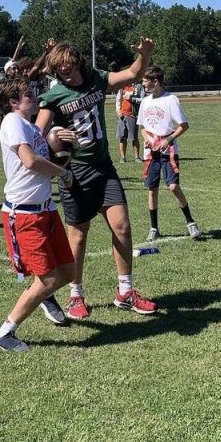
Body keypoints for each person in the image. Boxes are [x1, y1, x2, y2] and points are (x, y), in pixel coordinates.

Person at [36, 40, 158, 319]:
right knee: (78, 237)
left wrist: (144, 55)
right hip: (75, 173)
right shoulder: (55, 95)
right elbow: (36, 133)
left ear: (76, 61)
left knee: (122, 227)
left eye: (67, 65)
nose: (64, 71)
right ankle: (75, 295)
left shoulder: (95, 78)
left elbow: (132, 74)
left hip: (103, 167)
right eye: (58, 68)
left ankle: (125, 291)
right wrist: (54, 133)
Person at [0, 77, 77, 352]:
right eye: (28, 93)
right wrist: (63, 173)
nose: (34, 95)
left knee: (68, 271)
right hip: (24, 213)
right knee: (49, 278)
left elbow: (43, 157)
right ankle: (4, 333)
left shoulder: (30, 126)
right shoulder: (12, 121)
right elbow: (29, 160)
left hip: (45, 210)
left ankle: (41, 295)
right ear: (13, 101)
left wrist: (62, 146)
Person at [136, 66, 202, 243]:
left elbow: (183, 125)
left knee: (173, 187)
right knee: (152, 189)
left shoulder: (171, 99)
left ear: (155, 81)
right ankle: (154, 228)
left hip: (168, 151)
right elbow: (142, 127)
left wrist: (169, 139)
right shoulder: (145, 102)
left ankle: (190, 222)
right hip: (151, 153)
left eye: (145, 80)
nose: (142, 83)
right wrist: (148, 139)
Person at [115, 79, 143, 162]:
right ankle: (123, 157)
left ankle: (137, 157)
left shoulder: (138, 87)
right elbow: (118, 100)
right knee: (122, 137)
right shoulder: (122, 87)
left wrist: (132, 98)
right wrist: (118, 111)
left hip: (132, 115)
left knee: (134, 137)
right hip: (122, 116)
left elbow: (143, 100)